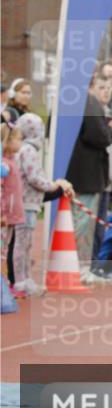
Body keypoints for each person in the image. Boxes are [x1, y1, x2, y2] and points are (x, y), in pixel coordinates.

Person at [14, 113, 73, 294]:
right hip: (27, 203)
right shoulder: (29, 150)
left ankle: (25, 278)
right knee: (23, 243)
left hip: (27, 202)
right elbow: (33, 177)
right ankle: (21, 280)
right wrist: (53, 185)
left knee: (25, 243)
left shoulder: (22, 149)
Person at [66, 75, 112, 269]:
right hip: (87, 173)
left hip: (67, 172)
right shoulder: (89, 102)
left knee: (69, 221)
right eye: (101, 86)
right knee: (83, 223)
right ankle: (81, 267)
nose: (105, 91)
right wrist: (109, 130)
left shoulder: (64, 101)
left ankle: (69, 265)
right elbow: (99, 135)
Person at [1, 123, 25, 289]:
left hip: (10, 215)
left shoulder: (11, 162)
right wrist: (2, 212)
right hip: (4, 216)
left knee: (4, 249)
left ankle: (4, 285)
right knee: (1, 251)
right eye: (18, 139)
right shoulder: (4, 165)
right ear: (8, 141)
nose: (21, 143)